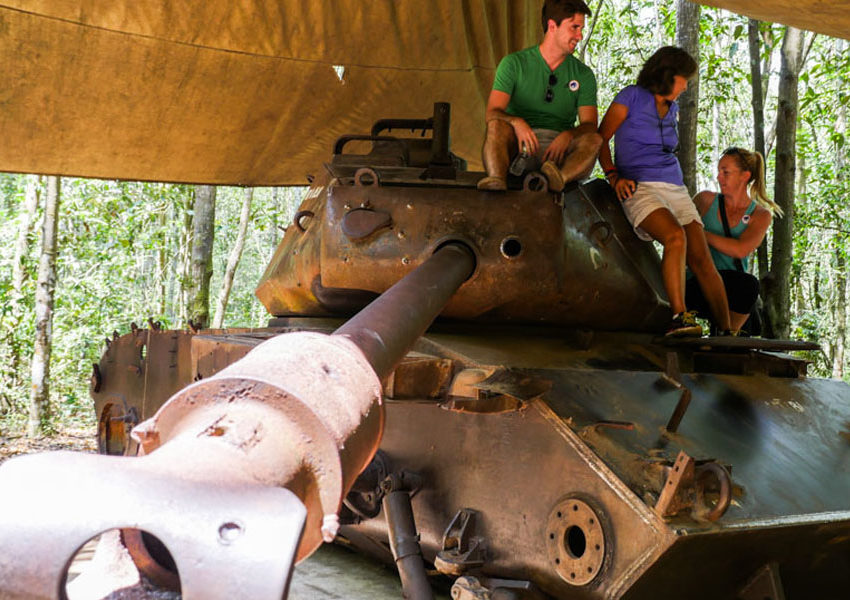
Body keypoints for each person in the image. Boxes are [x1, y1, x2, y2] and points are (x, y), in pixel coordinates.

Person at [598, 46, 732, 337]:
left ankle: (728, 332)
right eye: (684, 79)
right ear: (668, 75)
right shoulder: (630, 96)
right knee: (674, 237)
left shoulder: (673, 108)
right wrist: (613, 177)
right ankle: (679, 317)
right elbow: (599, 139)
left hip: (674, 186)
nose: (686, 86)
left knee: (701, 258)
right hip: (639, 185)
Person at [477, 0, 602, 193]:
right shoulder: (513, 64)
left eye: (581, 29)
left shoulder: (583, 74)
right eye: (574, 27)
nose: (580, 36)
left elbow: (590, 125)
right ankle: (497, 179)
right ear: (552, 26)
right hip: (518, 148)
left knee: (594, 139)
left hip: (560, 156)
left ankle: (560, 178)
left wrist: (568, 135)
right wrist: (517, 122)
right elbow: (492, 113)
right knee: (496, 125)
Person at [687, 147, 782, 333]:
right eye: (718, 171)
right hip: (696, 282)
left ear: (744, 176)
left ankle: (728, 334)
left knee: (749, 285)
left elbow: (740, 249)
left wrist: (700, 234)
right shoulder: (705, 200)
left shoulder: (760, 215)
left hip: (733, 290)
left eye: (725, 172)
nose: (719, 177)